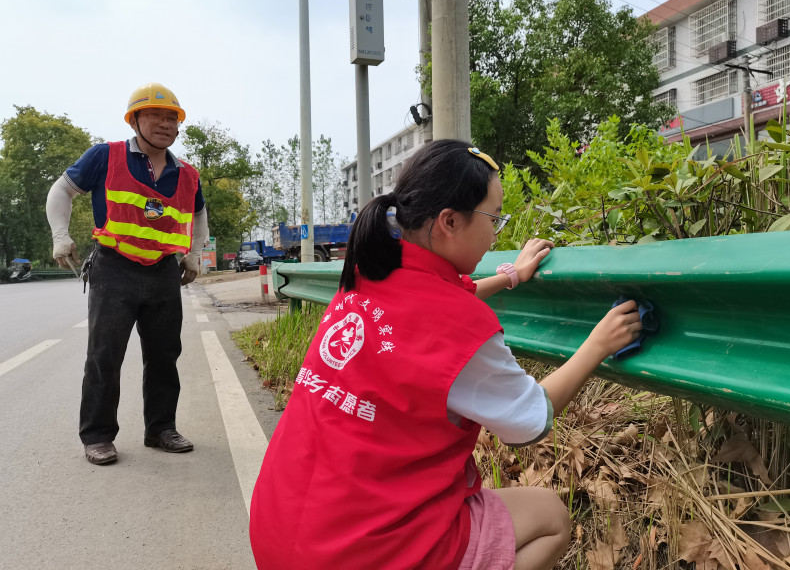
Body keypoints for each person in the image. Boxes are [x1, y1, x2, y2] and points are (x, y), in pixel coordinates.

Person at [248, 139, 642, 569]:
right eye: (494, 217)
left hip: (279, 528)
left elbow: (436, 296)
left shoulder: (365, 275)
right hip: (357, 551)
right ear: (450, 221)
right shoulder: (461, 326)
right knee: (551, 518)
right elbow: (533, 418)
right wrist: (598, 345)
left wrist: (510, 276)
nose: (498, 232)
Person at [45, 82, 208, 466]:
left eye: (171, 118)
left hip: (163, 271)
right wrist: (60, 236)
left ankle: (161, 428)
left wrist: (194, 255)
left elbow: (199, 214)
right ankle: (98, 436)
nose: (164, 124)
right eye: (154, 115)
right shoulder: (106, 155)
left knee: (165, 354)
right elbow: (61, 190)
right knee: (105, 355)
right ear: (134, 119)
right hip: (113, 268)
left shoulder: (187, 174)